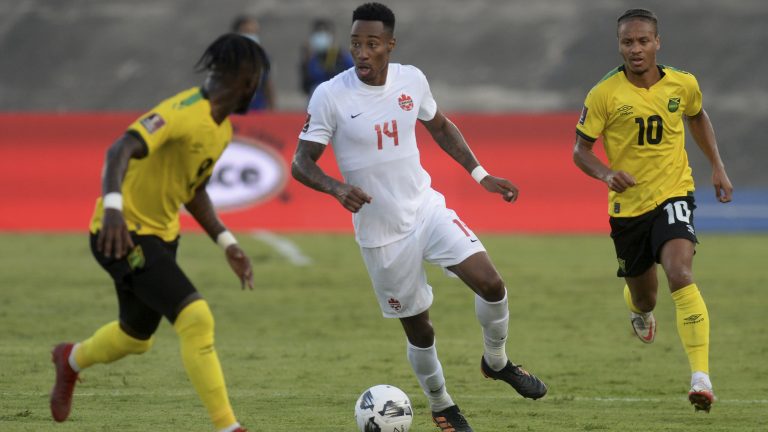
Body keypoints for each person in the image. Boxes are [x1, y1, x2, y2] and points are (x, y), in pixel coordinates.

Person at [291, 3, 547, 431]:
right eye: (356, 44)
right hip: (381, 234)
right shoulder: (330, 95)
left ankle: (497, 362)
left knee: (492, 284)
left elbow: (441, 126)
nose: (363, 53)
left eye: (372, 44)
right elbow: (301, 162)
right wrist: (336, 188)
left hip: (425, 208)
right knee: (421, 330)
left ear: (390, 44)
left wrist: (481, 174)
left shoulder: (412, 80)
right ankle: (441, 403)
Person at [49, 33, 269, 432]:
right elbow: (119, 149)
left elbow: (194, 190)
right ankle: (228, 426)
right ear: (248, 80)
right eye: (259, 79)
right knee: (196, 318)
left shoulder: (221, 130)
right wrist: (113, 210)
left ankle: (70, 359)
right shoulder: (182, 111)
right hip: (120, 235)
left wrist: (226, 242)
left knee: (136, 337)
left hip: (162, 237)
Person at [572, 9, 733, 413]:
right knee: (645, 298)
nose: (636, 49)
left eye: (643, 41)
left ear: (657, 42)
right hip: (628, 208)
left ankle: (701, 378)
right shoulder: (603, 94)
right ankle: (639, 311)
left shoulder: (683, 83)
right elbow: (580, 151)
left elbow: (696, 115)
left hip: (675, 193)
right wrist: (607, 174)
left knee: (680, 274)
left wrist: (716, 164)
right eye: (628, 42)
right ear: (619, 45)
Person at [300, 18, 354, 99]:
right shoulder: (312, 58)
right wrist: (306, 62)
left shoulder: (341, 56)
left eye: (324, 32)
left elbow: (352, 73)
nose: (321, 36)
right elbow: (307, 85)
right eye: (318, 32)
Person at [232, 14, 276, 111]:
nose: (251, 36)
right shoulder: (227, 57)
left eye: (254, 33)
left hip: (257, 110)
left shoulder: (263, 57)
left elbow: (268, 84)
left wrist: (273, 110)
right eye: (247, 32)